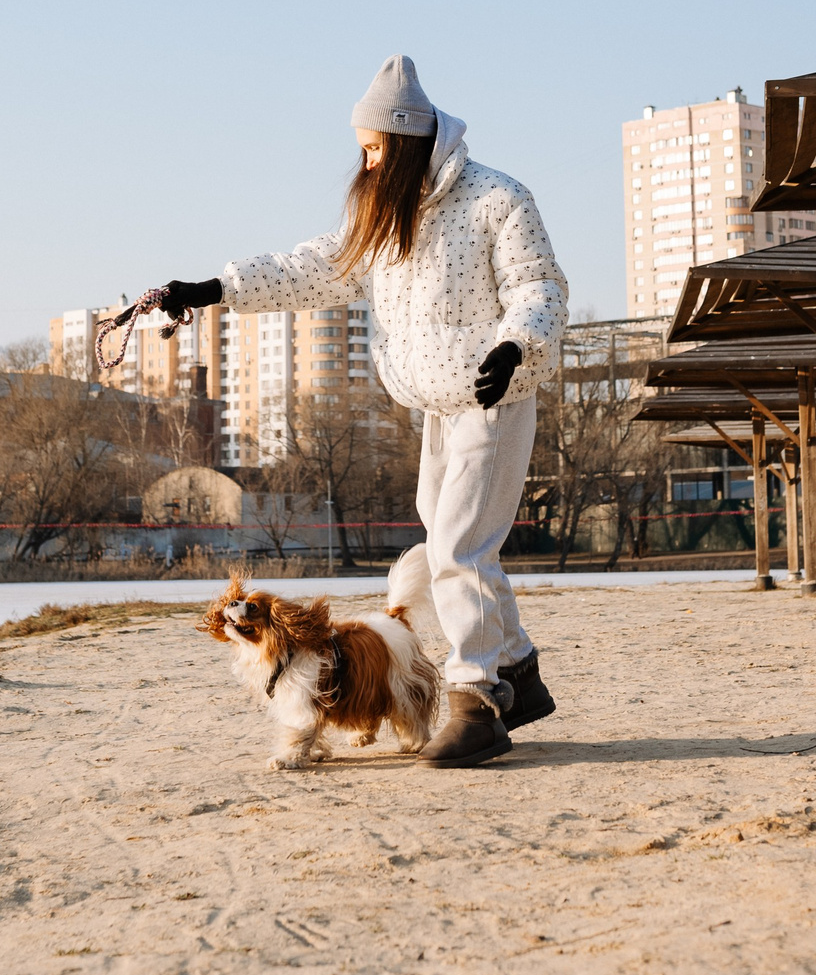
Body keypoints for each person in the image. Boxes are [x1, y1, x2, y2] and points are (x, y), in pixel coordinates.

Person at [158, 55, 568, 768]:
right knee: (459, 541)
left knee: (457, 547)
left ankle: (476, 699)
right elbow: (309, 267)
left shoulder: (497, 199)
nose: (366, 162)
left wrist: (514, 346)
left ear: (409, 142)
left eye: (375, 148)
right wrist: (214, 287)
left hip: (495, 396)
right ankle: (520, 675)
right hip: (436, 406)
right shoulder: (383, 219)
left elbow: (542, 286)